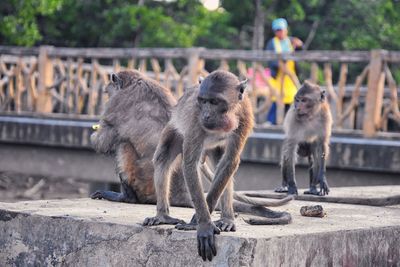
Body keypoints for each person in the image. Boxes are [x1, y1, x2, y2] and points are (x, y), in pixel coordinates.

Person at [265, 18, 303, 124]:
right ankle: (271, 121)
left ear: (286, 30)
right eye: (277, 30)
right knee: (277, 98)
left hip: (290, 77)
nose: (280, 32)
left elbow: (300, 52)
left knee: (292, 98)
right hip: (278, 76)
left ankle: (289, 122)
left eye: (281, 30)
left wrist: (300, 45)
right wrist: (280, 65)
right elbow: (269, 59)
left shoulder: (291, 40)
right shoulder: (271, 43)